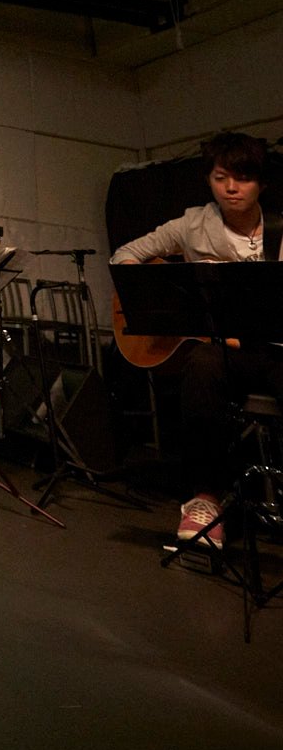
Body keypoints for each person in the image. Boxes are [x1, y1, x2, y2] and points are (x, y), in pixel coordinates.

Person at [111, 131, 283, 550]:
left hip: (273, 350)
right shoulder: (191, 224)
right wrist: (173, 288)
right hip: (222, 352)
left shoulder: (280, 231)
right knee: (203, 363)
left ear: (261, 183)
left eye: (242, 178)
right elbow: (124, 256)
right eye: (221, 177)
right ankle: (205, 499)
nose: (230, 188)